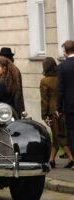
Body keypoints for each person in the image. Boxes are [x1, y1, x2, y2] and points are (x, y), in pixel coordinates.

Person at [40, 57, 74, 169]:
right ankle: (52, 160)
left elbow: (44, 100)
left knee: (60, 136)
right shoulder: (59, 77)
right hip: (63, 109)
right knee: (56, 137)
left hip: (53, 112)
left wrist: (44, 115)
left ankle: (71, 159)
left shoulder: (45, 81)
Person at [57, 40, 74, 169]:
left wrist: (59, 107)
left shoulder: (62, 66)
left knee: (72, 132)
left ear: (65, 52)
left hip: (70, 106)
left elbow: (61, 89)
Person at [0, 47, 25, 117]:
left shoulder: (14, 70)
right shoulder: (6, 70)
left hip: (13, 106)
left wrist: (17, 110)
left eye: (2, 56)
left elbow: (18, 91)